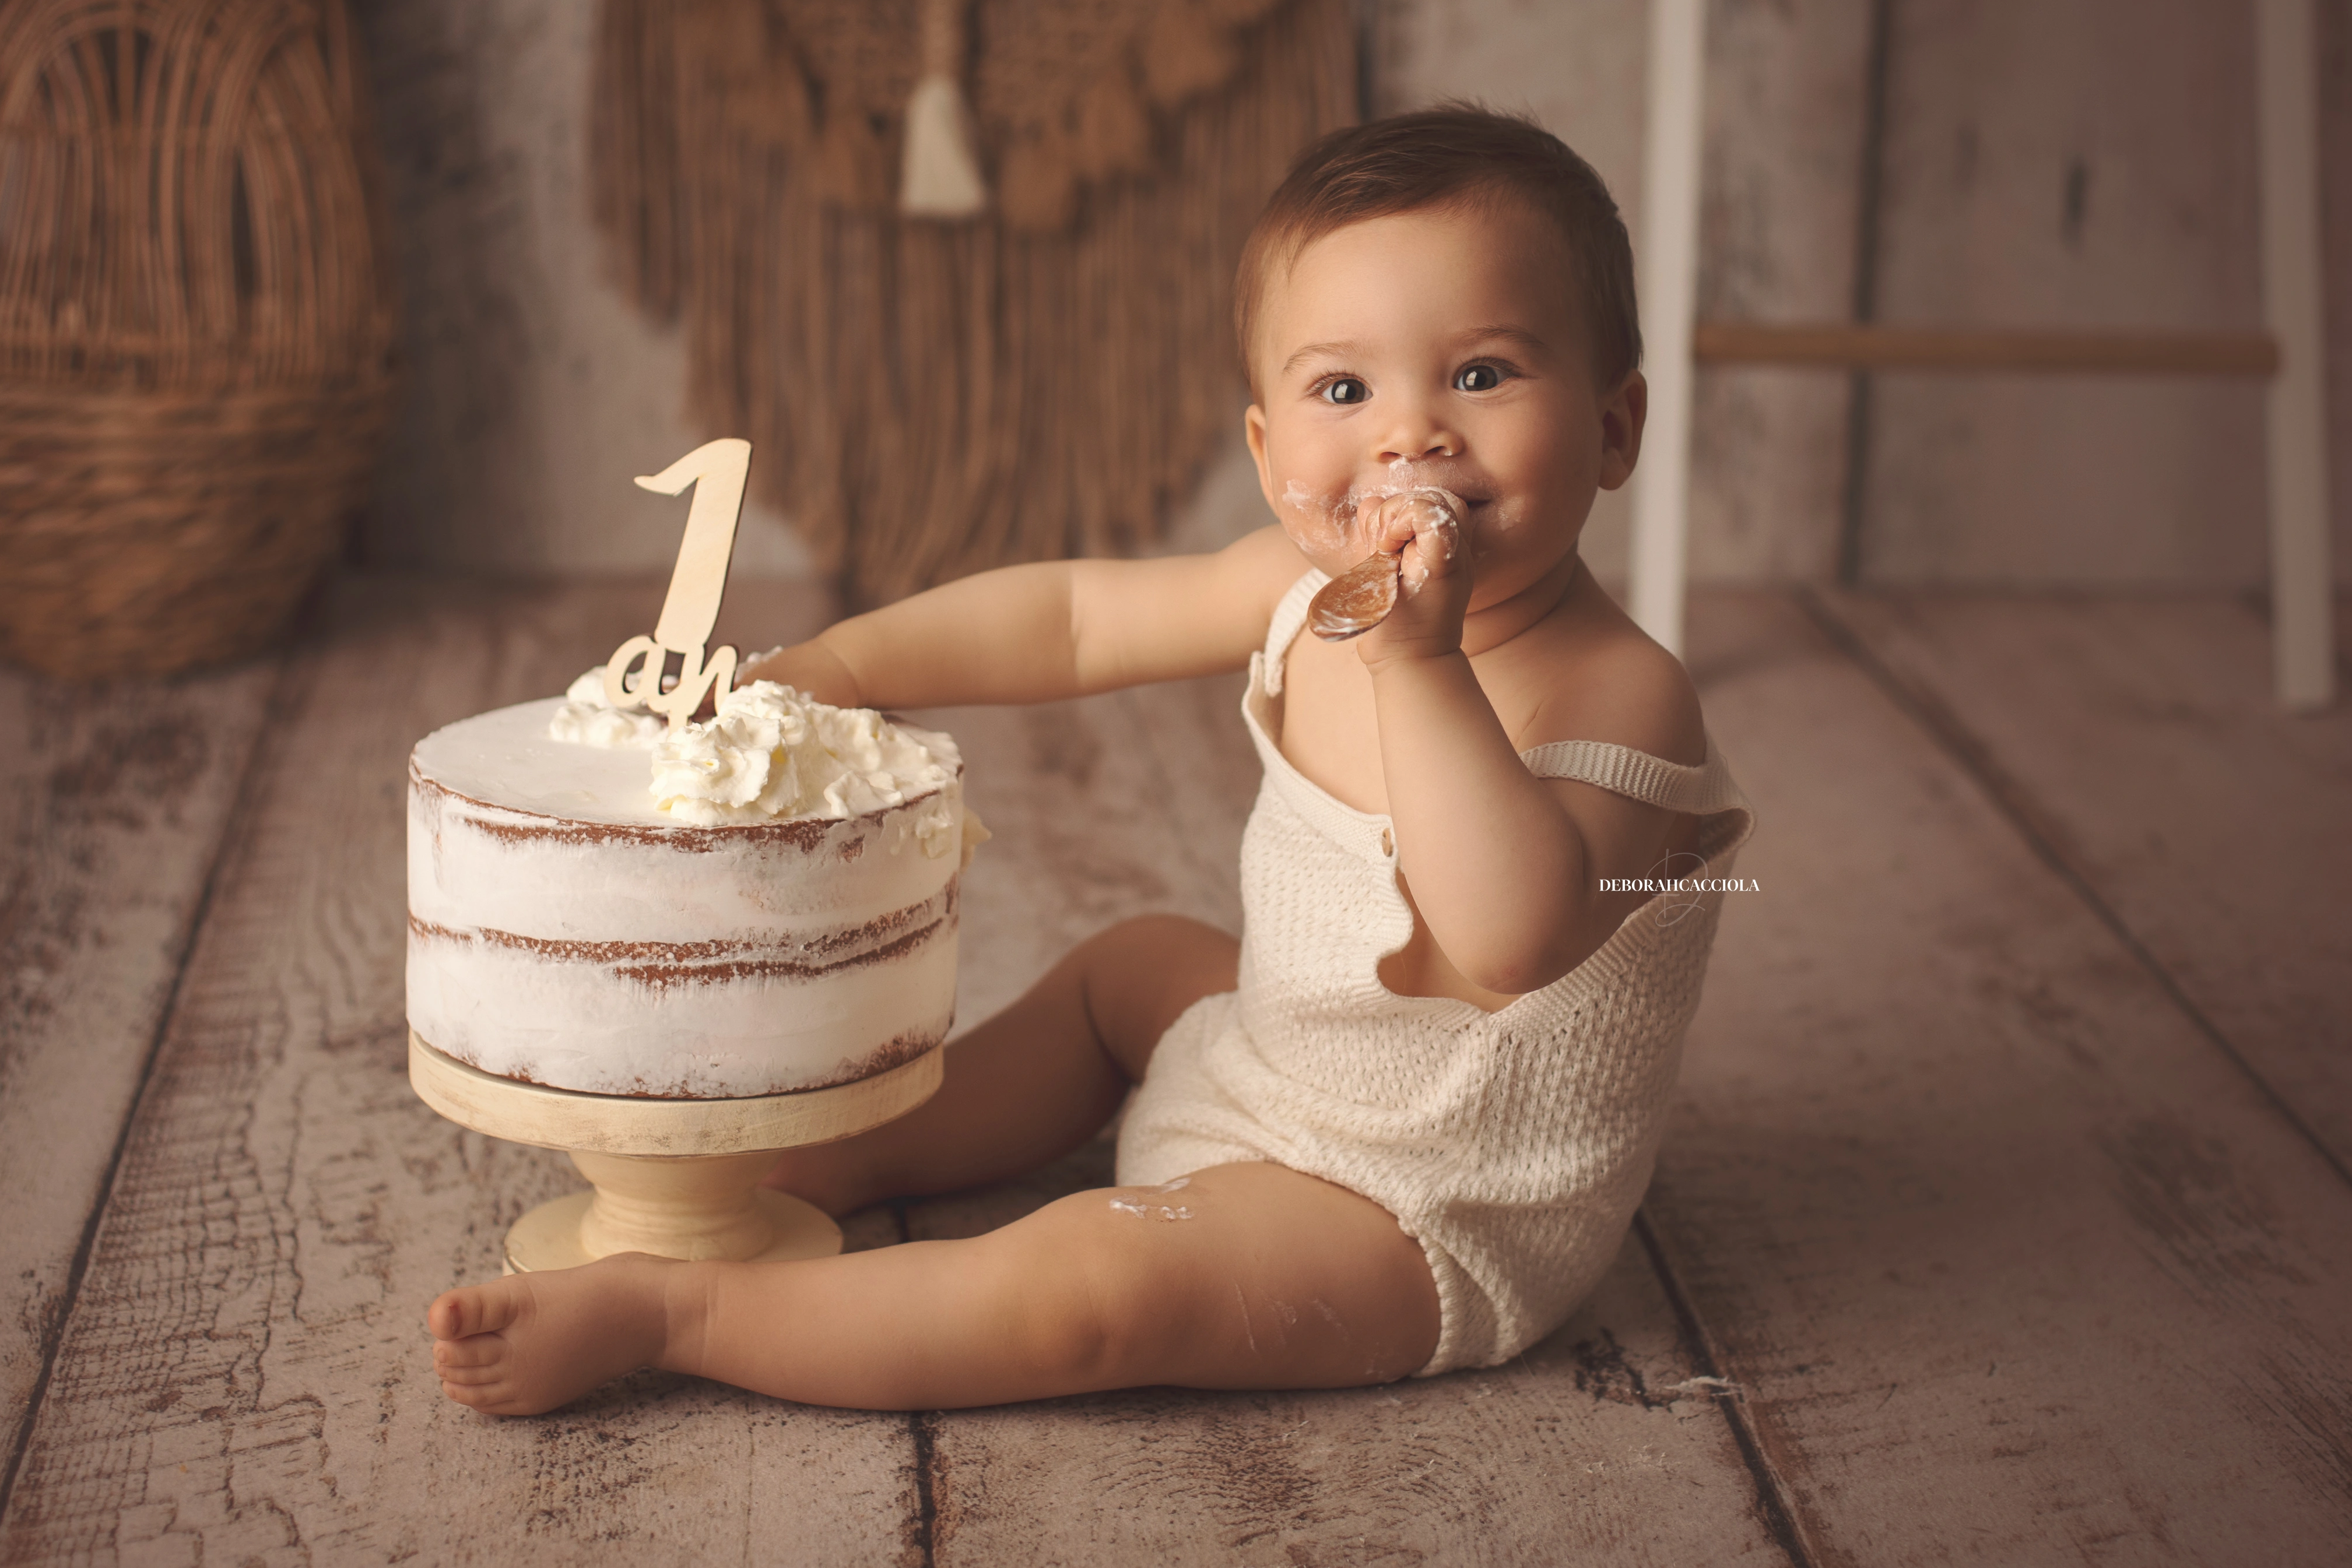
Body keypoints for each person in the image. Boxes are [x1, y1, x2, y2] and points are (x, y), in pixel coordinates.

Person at [426, 106, 1756, 1415]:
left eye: (1480, 373)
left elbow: (1509, 936)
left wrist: (1418, 662)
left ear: (1615, 426)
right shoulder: (1291, 586)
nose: (1409, 438)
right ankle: (840, 1163)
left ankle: (677, 1310)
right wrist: (838, 667)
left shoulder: (1623, 690)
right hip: (1278, 1059)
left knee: (1090, 1287)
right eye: (1342, 390)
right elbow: (1069, 617)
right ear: (1265, 451)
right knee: (1130, 965)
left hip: (1419, 1203)